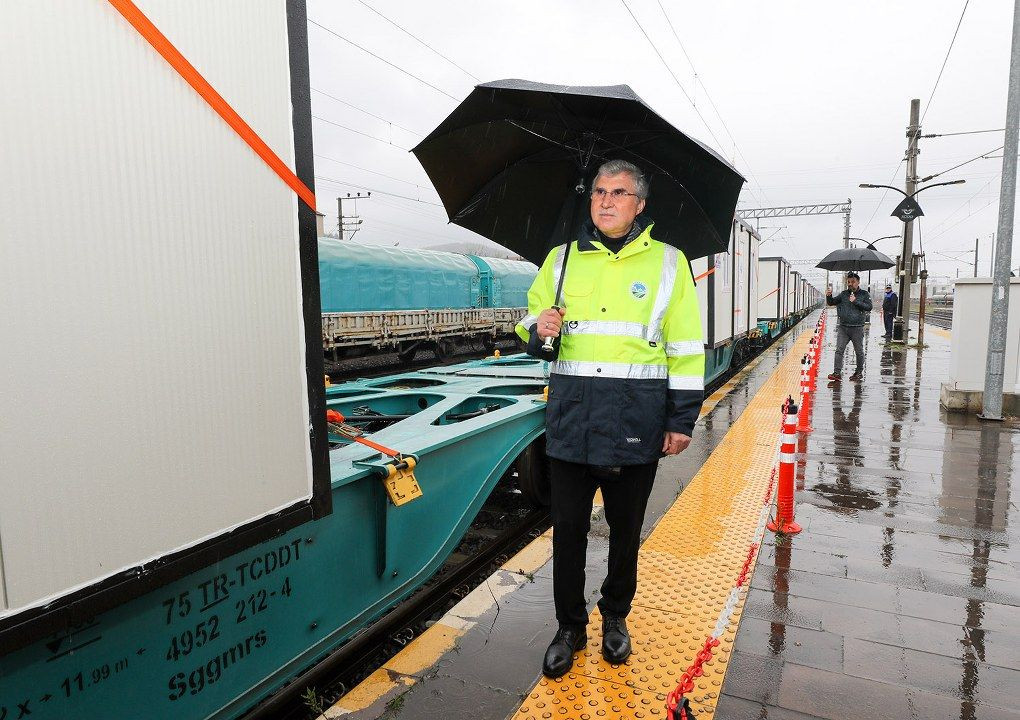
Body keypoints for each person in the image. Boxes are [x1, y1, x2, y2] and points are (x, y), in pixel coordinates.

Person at [515, 159, 704, 678]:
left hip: (635, 420)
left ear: (639, 204)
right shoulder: (561, 260)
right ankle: (569, 626)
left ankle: (615, 617)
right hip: (572, 417)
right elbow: (529, 328)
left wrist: (682, 420)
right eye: (599, 191)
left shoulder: (669, 263)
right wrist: (540, 327)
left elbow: (686, 348)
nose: (605, 200)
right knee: (568, 530)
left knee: (626, 532)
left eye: (619, 193)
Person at [825, 272, 872, 382]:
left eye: (853, 282)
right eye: (849, 282)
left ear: (858, 282)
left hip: (857, 328)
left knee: (859, 351)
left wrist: (855, 301)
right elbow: (831, 303)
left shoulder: (864, 294)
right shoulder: (843, 294)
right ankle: (837, 373)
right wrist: (829, 296)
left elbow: (869, 307)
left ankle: (859, 372)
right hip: (843, 328)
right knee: (839, 350)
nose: (850, 284)